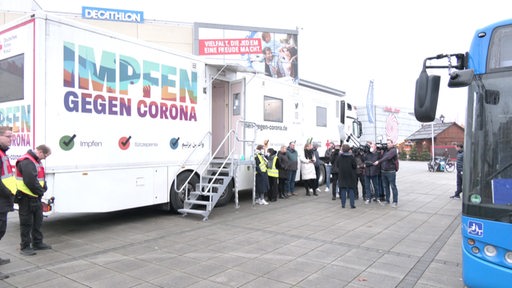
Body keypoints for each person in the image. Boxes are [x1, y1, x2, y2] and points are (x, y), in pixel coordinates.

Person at [15, 144, 52, 256]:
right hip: (26, 197)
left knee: (38, 221)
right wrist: (41, 191)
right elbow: (30, 181)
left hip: (35, 197)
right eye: (45, 155)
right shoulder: (27, 161)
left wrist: (44, 187)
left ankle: (37, 242)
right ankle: (25, 247)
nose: (45, 158)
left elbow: (40, 178)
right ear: (40, 152)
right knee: (26, 223)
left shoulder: (35, 161)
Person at [0, 127, 15, 279]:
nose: (11, 139)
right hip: (1, 198)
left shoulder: (3, 153)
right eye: (8, 136)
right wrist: (7, 192)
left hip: (3, 201)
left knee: (1, 230)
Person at [373, 139, 399, 207]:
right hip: (384, 171)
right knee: (385, 187)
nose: (387, 145)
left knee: (393, 186)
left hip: (391, 171)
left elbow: (387, 157)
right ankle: (387, 200)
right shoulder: (385, 150)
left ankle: (395, 201)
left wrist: (379, 161)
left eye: (389, 143)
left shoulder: (393, 150)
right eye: (387, 143)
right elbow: (381, 156)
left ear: (392, 143)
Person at [335, 144, 357, 208]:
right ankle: (352, 205)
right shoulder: (351, 157)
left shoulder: (340, 157)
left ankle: (343, 204)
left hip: (342, 175)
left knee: (343, 190)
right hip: (351, 176)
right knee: (351, 190)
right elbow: (354, 166)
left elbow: (337, 165)